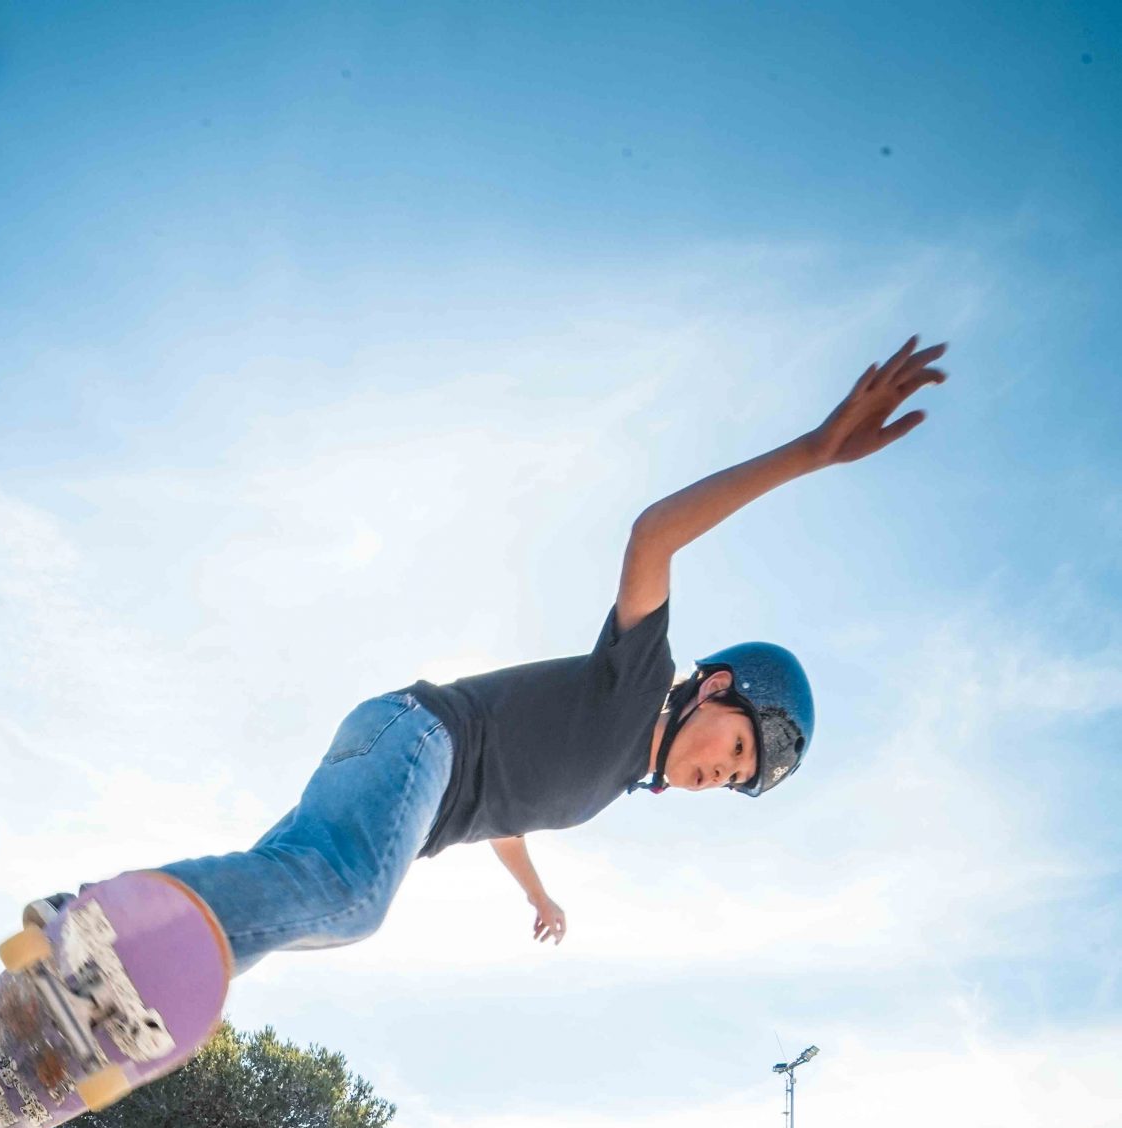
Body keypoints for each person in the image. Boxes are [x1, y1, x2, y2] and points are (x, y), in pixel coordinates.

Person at [150, 335, 946, 968]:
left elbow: (502, 816)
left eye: (734, 778)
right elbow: (652, 537)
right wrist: (808, 451)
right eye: (735, 747)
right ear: (714, 689)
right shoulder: (637, 684)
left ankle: (33, 1059)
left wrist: (538, 898)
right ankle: (96, 929)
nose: (718, 774)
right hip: (419, 741)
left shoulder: (612, 775)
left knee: (251, 931)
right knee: (349, 901)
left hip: (405, 765)